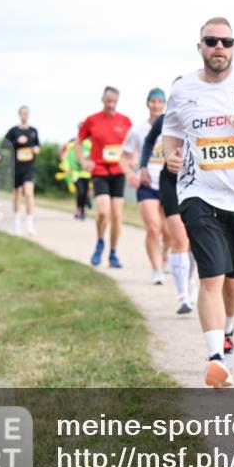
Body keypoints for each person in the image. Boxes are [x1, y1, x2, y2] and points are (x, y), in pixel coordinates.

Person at [162, 16, 234, 388]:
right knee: (211, 274)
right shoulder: (183, 89)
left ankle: (227, 331)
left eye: (226, 42)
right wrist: (172, 156)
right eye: (212, 42)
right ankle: (214, 357)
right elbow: (172, 131)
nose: (219, 48)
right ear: (200, 47)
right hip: (198, 192)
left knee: (233, 277)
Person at [142, 112, 195, 314]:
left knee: (193, 239)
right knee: (179, 239)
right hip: (170, 180)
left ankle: (190, 281)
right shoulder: (164, 120)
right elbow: (148, 142)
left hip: (196, 180)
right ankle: (182, 296)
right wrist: (142, 167)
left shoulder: (204, 112)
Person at [76, 87, 132, 268]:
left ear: (118, 100)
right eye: (108, 101)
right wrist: (84, 161)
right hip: (99, 170)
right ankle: (100, 242)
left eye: (114, 101)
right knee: (103, 211)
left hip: (118, 172)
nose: (110, 104)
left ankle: (113, 253)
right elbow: (78, 142)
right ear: (103, 100)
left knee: (117, 215)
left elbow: (133, 145)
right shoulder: (92, 120)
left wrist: (132, 160)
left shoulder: (125, 121)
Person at [122, 88, 169, 285]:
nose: (156, 106)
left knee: (169, 232)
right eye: (153, 102)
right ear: (148, 104)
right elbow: (124, 156)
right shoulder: (137, 131)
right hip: (146, 184)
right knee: (153, 228)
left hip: (168, 184)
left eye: (160, 102)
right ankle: (157, 269)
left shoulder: (171, 128)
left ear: (165, 104)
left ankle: (164, 256)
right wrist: (130, 174)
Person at [4, 106, 41, 236]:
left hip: (29, 167)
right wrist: (16, 141)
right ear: (19, 114)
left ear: (29, 115)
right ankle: (16, 224)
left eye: (27, 113)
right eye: (23, 113)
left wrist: (36, 149)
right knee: (17, 194)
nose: (25, 115)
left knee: (29, 193)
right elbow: (4, 144)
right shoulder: (13, 131)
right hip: (16, 167)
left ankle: (30, 225)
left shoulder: (33, 131)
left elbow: (37, 145)